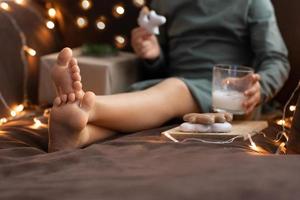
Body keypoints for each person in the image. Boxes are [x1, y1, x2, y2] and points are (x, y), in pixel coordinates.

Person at [48, 0, 290, 152]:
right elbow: (160, 67)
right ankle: (79, 135)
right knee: (147, 103)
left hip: (230, 96)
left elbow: (276, 59)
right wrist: (152, 55)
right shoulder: (166, 4)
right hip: (172, 88)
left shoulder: (254, 3)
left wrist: (261, 88)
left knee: (173, 90)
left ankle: (88, 107)